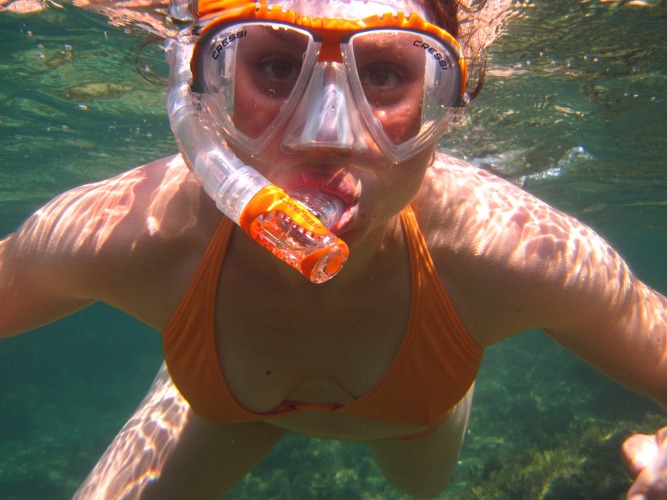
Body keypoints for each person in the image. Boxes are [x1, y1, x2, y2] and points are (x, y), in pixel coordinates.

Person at [1, 0, 665, 498]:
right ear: (201, 92)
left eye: (381, 73)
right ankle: (190, 377)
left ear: (449, 102)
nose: (326, 133)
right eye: (276, 65)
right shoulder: (129, 234)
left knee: (418, 493)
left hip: (411, 423)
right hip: (224, 409)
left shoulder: (514, 254)